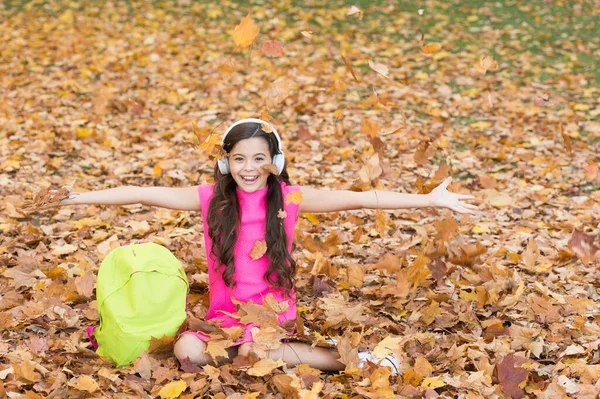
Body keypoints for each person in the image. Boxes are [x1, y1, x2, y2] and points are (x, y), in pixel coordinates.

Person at [56, 118, 477, 374]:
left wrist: (429, 200)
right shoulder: (210, 199)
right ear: (226, 163)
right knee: (186, 349)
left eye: (259, 158)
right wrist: (77, 197)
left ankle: (352, 360)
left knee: (258, 345)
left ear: (274, 162)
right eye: (239, 158)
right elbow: (142, 193)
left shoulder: (291, 198)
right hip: (223, 315)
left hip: (271, 313)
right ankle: (256, 355)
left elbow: (361, 198)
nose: (249, 168)